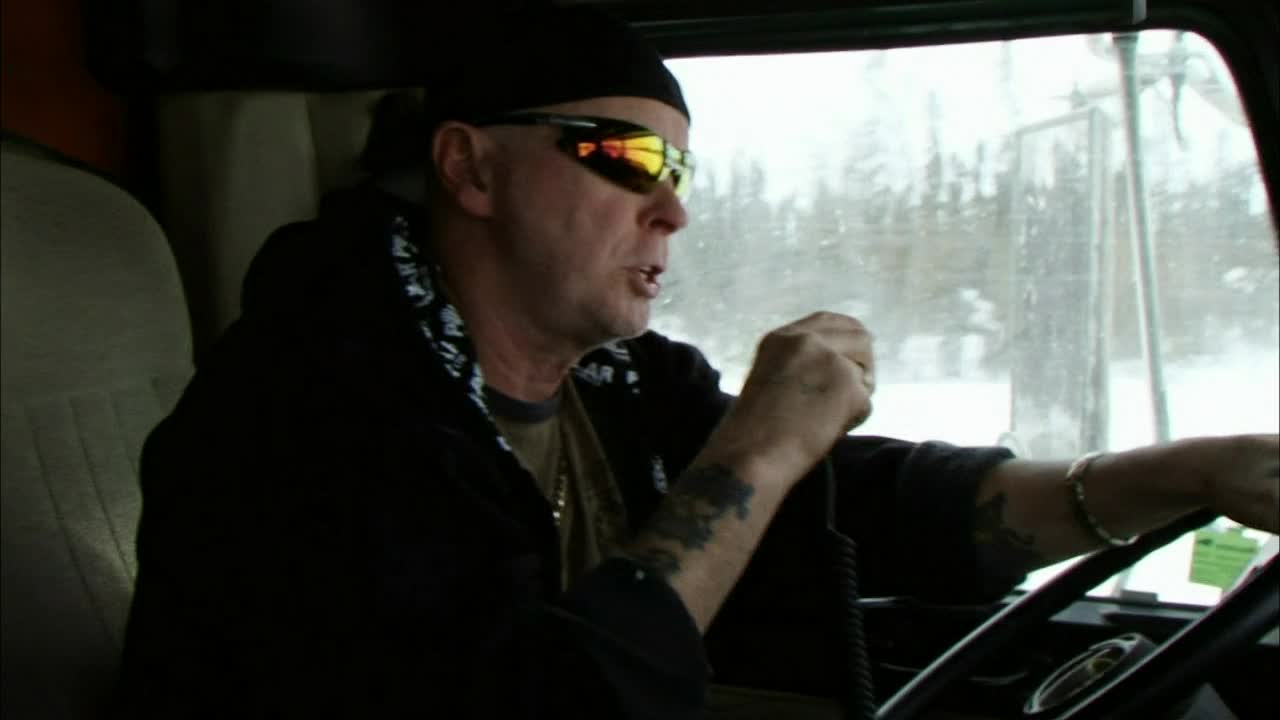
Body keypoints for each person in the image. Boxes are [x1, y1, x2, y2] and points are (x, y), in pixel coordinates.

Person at [116, 5, 1280, 718]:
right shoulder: (302, 419)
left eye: (678, 173)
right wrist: (757, 449)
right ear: (468, 169)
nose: (670, 211)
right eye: (626, 158)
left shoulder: (616, 386)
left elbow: (869, 504)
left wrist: (1185, 474)